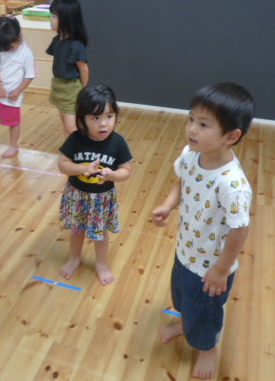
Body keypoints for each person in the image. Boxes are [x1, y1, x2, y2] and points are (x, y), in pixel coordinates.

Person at [151, 82, 255, 380]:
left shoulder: (232, 185)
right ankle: (184, 323)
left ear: (231, 136)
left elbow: (239, 231)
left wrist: (221, 269)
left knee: (205, 312)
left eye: (204, 124)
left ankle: (208, 348)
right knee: (183, 297)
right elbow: (182, 182)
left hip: (211, 268)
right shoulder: (190, 155)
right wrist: (167, 205)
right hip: (186, 250)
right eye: (191, 119)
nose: (192, 129)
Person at [57, 85, 132, 285]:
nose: (103, 123)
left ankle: (101, 263)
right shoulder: (76, 139)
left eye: (109, 116)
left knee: (100, 234)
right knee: (76, 230)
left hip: (102, 198)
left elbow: (126, 170)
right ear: (83, 119)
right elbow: (62, 165)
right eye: (96, 118)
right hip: (77, 195)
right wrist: (82, 169)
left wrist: (113, 174)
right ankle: (74, 259)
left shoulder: (118, 142)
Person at [0, 16, 37, 158]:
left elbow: (29, 75)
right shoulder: (0, 46)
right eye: (4, 47)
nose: (8, 50)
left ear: (20, 36)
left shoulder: (26, 52)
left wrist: (18, 91)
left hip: (12, 95)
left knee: (13, 122)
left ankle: (13, 146)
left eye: (11, 47)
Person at [47, 0, 89, 136]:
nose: (51, 20)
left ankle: (80, 148)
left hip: (71, 89)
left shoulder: (75, 44)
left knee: (71, 127)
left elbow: (84, 71)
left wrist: (83, 92)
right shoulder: (57, 40)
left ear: (66, 19)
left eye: (54, 16)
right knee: (65, 124)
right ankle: (69, 148)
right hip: (58, 86)